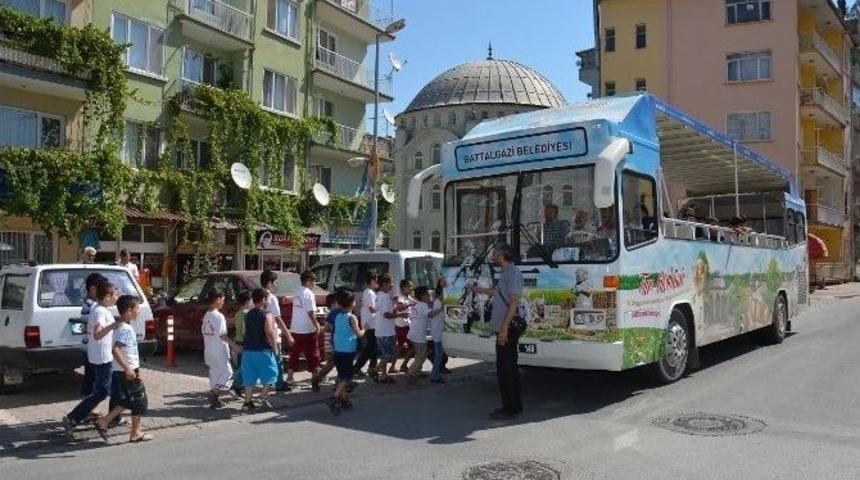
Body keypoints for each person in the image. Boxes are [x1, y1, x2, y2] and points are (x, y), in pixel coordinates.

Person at [62, 281, 122, 439]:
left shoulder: (98, 308)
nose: (117, 296)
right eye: (115, 294)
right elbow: (97, 334)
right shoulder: (101, 311)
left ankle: (101, 417)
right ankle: (73, 417)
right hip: (103, 357)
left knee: (104, 389)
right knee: (102, 391)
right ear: (108, 296)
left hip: (97, 355)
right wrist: (113, 325)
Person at [471, 243, 523, 420]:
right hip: (504, 327)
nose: (493, 256)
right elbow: (498, 292)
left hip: (506, 328)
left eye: (495, 253)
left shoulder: (513, 273)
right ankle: (512, 406)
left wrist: (504, 327)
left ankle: (510, 408)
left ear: (503, 255)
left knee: (506, 369)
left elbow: (514, 301)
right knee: (507, 368)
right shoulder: (506, 273)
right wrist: (477, 290)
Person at [95, 295, 151, 443]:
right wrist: (128, 369)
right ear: (129, 311)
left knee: (127, 400)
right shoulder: (125, 329)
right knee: (140, 401)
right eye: (137, 308)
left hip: (120, 370)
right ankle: (135, 433)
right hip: (127, 371)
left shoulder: (120, 326)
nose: (139, 311)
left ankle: (104, 421)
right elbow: (116, 350)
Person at [241, 288, 280, 412]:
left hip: (248, 350)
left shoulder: (247, 314)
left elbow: (244, 332)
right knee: (271, 374)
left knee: (249, 377)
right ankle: (263, 396)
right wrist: (275, 348)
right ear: (263, 300)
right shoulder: (266, 315)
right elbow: (269, 332)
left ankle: (247, 402)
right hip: (263, 350)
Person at [202, 289, 241, 409]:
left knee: (214, 374)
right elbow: (222, 335)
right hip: (219, 351)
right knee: (227, 373)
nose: (223, 303)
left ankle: (215, 400)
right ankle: (214, 393)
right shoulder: (219, 316)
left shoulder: (206, 315)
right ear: (218, 300)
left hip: (208, 350)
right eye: (223, 300)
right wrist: (235, 346)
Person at [327, 290, 364, 415]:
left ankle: (343, 398)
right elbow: (358, 334)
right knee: (347, 377)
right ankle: (335, 396)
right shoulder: (352, 317)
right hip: (348, 351)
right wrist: (367, 329)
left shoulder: (337, 316)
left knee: (342, 375)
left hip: (338, 351)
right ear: (351, 303)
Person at [260, 270, 292, 391]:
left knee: (257, 361)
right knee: (277, 359)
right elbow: (277, 318)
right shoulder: (271, 298)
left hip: (259, 333)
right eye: (275, 282)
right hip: (271, 333)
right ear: (269, 283)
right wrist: (288, 334)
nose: (276, 285)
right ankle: (279, 384)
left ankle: (238, 384)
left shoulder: (256, 296)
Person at [78, 273, 106, 413]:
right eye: (103, 289)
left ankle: (90, 407)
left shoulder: (95, 305)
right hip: (91, 348)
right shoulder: (90, 305)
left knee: (93, 377)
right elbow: (88, 320)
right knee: (91, 377)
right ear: (93, 289)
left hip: (93, 347)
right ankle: (88, 408)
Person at [287, 271, 320, 385]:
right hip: (307, 329)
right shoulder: (308, 293)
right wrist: (317, 325)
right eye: (313, 281)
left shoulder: (296, 291)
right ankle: (315, 377)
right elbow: (311, 312)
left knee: (295, 353)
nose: (314, 284)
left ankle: (290, 377)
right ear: (308, 281)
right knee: (312, 353)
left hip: (296, 328)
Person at [406, 286, 442, 382]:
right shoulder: (423, 306)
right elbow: (430, 314)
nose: (429, 296)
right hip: (419, 336)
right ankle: (410, 373)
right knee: (421, 356)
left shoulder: (417, 305)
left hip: (413, 334)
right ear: (422, 296)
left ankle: (416, 372)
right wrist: (441, 309)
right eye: (427, 295)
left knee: (420, 354)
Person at [373, 274, 404, 384]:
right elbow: (386, 314)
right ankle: (375, 371)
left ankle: (384, 376)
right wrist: (400, 315)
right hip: (386, 331)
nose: (392, 285)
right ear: (385, 284)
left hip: (380, 331)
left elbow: (383, 311)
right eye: (391, 283)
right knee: (389, 354)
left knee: (384, 355)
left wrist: (394, 306)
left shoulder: (379, 295)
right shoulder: (385, 297)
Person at [353, 273, 379, 377]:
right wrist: (382, 309)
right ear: (372, 281)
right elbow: (372, 309)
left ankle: (372, 367)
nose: (378, 283)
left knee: (374, 347)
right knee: (370, 348)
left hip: (371, 324)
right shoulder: (369, 293)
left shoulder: (369, 292)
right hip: (370, 324)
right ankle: (357, 367)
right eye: (376, 281)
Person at [231, 291, 252, 396]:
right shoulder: (247, 314)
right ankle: (236, 387)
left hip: (237, 340)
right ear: (248, 301)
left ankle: (240, 386)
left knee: (240, 365)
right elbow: (245, 330)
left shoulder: (238, 313)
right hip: (244, 342)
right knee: (244, 366)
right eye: (251, 300)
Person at [393, 279, 416, 374]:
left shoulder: (408, 296)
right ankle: (402, 366)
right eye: (410, 286)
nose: (412, 288)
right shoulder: (401, 297)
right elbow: (399, 307)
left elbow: (415, 303)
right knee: (412, 347)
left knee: (401, 347)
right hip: (402, 326)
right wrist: (409, 304)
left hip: (405, 325)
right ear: (403, 288)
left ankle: (397, 366)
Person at [429, 280, 447, 383]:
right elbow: (431, 314)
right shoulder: (439, 302)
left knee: (439, 354)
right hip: (437, 332)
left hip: (438, 331)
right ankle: (434, 376)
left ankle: (436, 374)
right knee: (438, 354)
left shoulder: (438, 301)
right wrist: (441, 308)